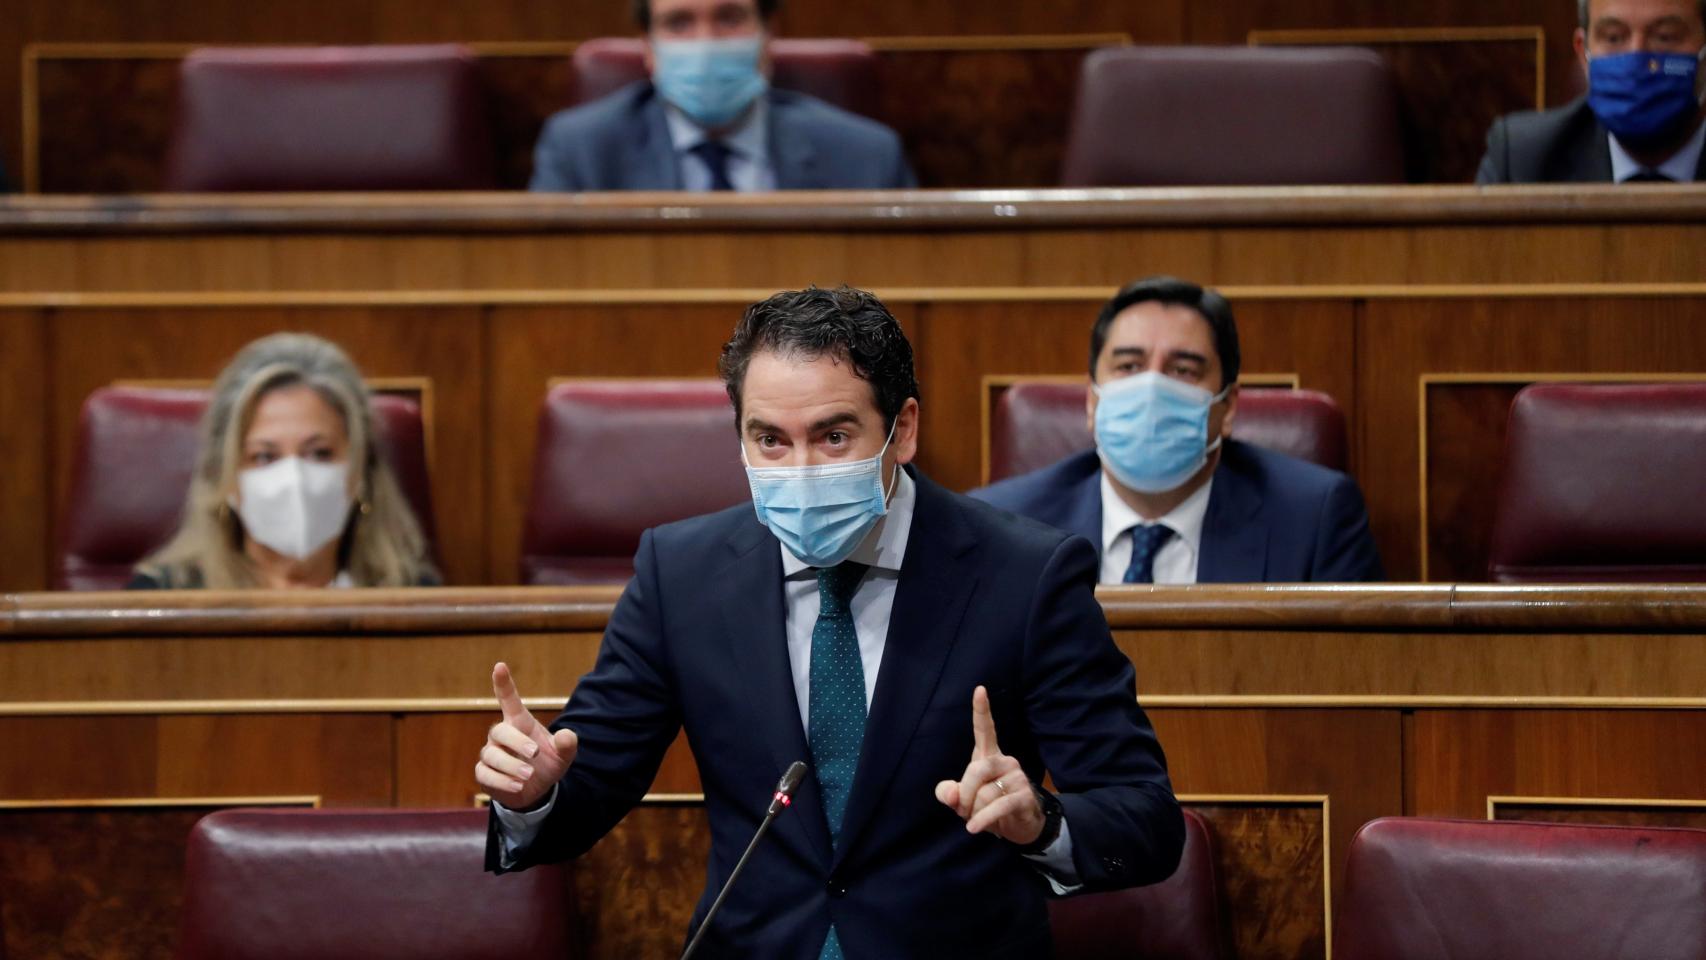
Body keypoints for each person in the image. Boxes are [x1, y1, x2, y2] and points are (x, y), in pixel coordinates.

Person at [476, 286, 1182, 959]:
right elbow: (589, 782)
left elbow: (1145, 819)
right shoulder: (681, 575)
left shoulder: (1025, 576)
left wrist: (1040, 823)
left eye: (833, 436)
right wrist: (534, 798)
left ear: (901, 429)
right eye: (770, 441)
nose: (802, 469)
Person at [972, 276, 1384, 585]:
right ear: (1092, 400)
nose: (1152, 387)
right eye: (1129, 366)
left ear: (1228, 405)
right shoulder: (1001, 525)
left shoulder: (1315, 521)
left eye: (1183, 370)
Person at [128, 333, 437, 589]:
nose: (294, 477)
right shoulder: (161, 598)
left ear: (361, 474)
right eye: (264, 456)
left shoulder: (414, 596)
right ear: (225, 478)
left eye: (320, 453)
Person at [529, 0, 916, 192]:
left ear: (768, 36)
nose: (706, 43)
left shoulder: (868, 158)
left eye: (729, 18)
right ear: (648, 48)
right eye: (679, 23)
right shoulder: (579, 153)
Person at [1477, 0, 1706, 183]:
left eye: (1665, 36)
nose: (1637, 57)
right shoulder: (1522, 161)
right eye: (1614, 37)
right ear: (1582, 54)